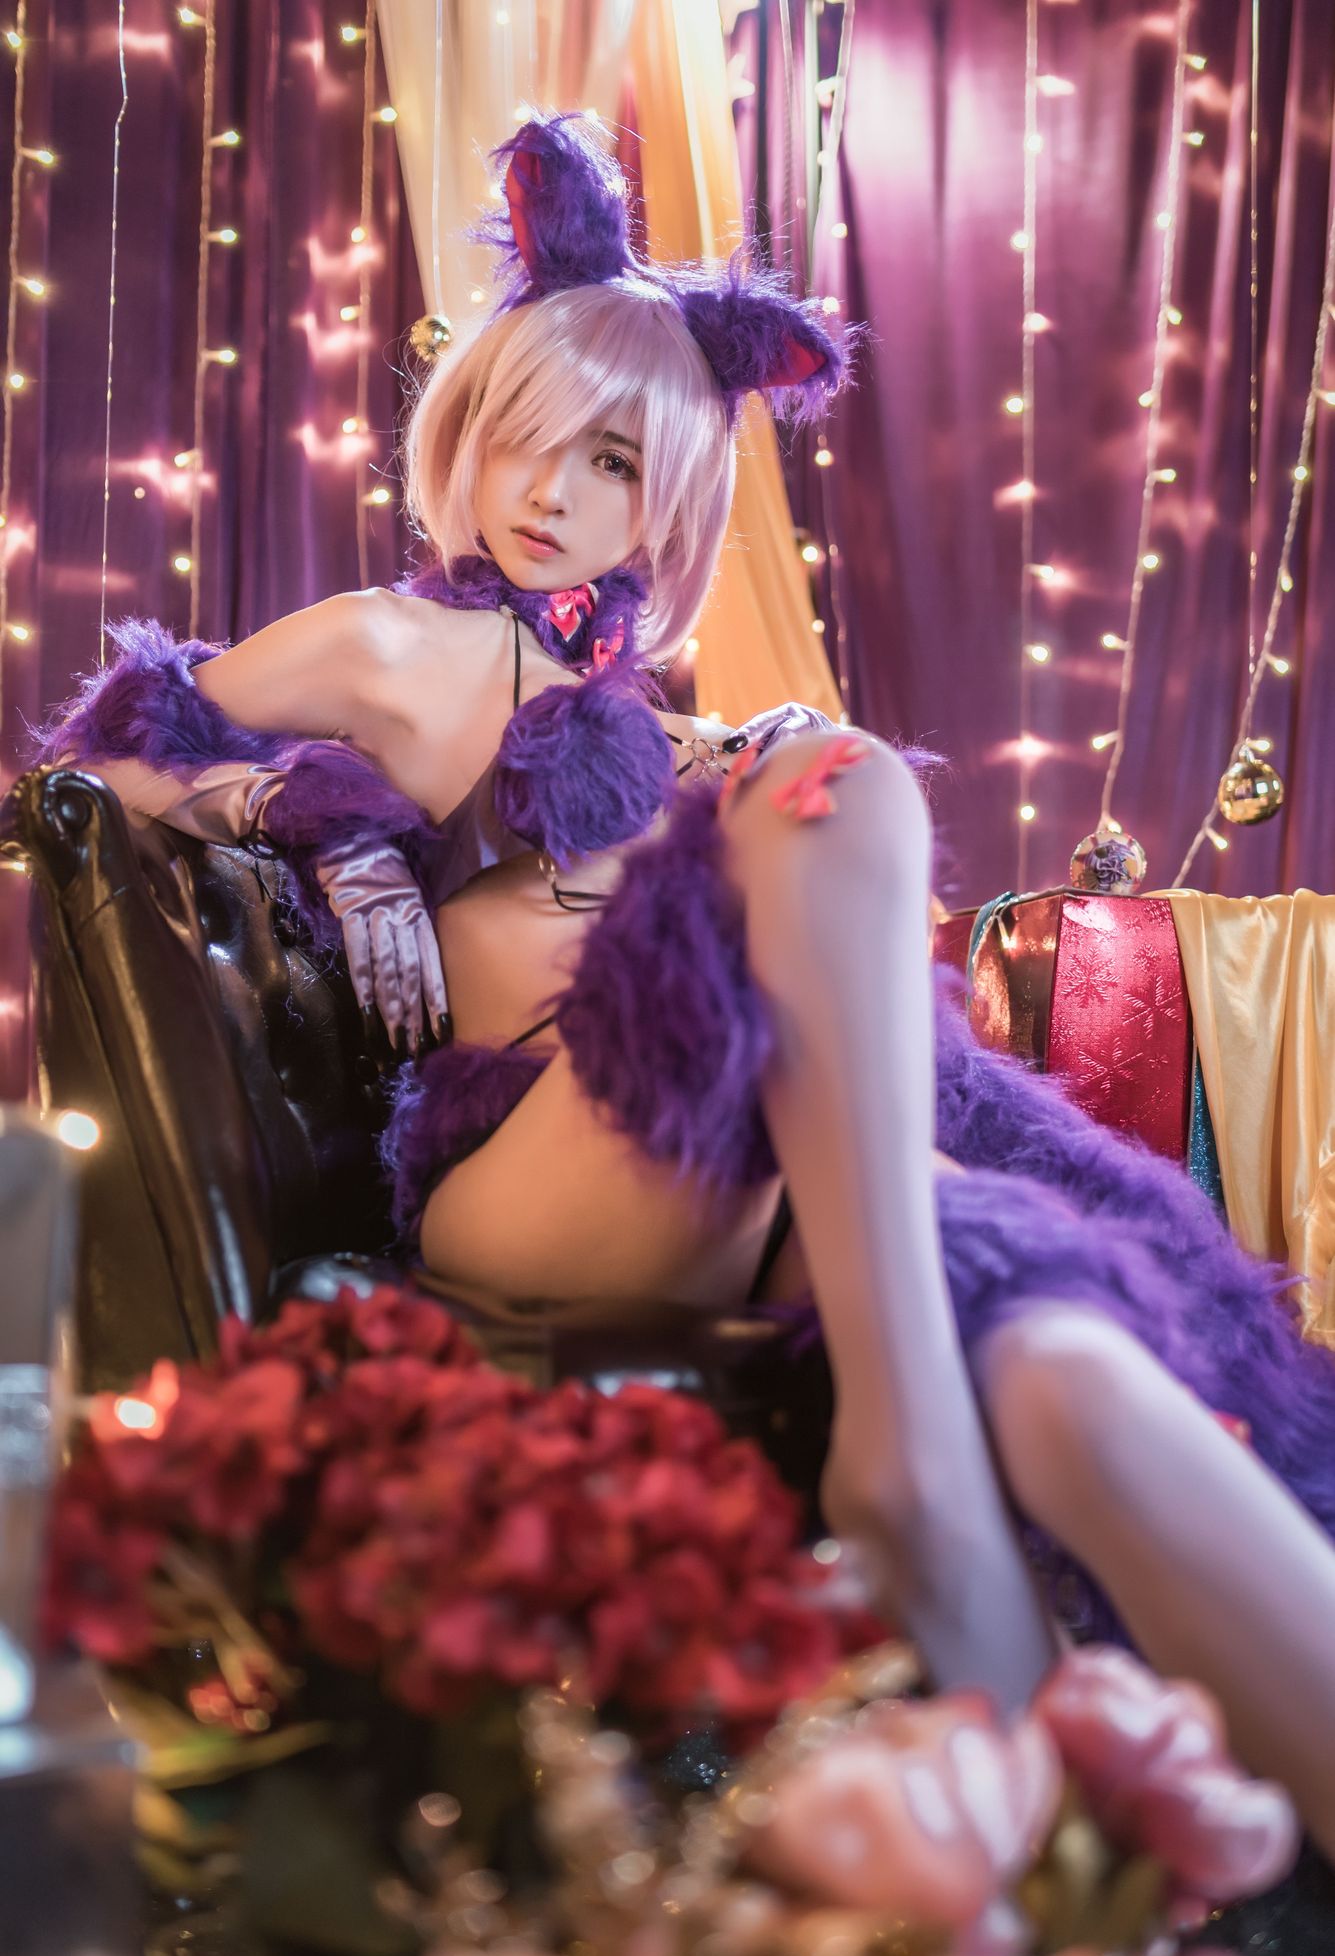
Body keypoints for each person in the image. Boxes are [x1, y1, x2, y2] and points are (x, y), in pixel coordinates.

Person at [36, 114, 1335, 1855]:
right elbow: (99, 771)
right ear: (468, 423)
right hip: (532, 1170)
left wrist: (734, 768)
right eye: (528, 433)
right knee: (833, 784)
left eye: (614, 463)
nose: (552, 492)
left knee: (1060, 1350)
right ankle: (907, 1471)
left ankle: (1085, 1819)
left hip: (749, 1169)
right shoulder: (386, 644)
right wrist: (309, 814)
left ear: (672, 499)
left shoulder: (637, 704)